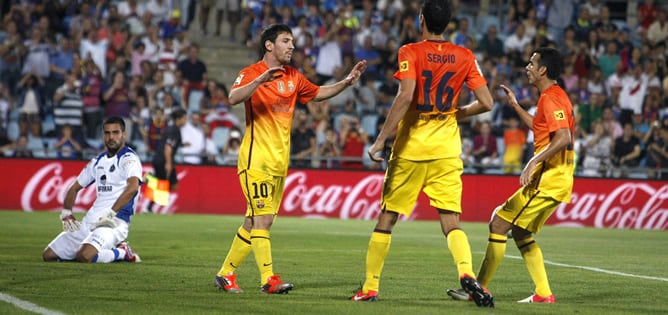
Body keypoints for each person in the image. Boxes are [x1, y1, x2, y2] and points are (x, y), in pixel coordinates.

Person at [354, 0, 494, 306]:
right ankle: (466, 273)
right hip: (447, 149)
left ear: (421, 20)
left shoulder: (410, 51)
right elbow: (486, 103)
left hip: (412, 148)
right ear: (448, 24)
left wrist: (380, 140)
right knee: (451, 222)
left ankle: (370, 287)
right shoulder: (465, 55)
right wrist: (456, 113)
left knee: (387, 218)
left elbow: (405, 96)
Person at [213, 23, 366, 294]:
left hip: (279, 162)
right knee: (261, 219)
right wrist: (259, 81)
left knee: (255, 221)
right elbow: (233, 97)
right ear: (269, 45)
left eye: (292, 41)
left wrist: (346, 82)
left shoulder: (294, 76)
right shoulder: (251, 73)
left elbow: (319, 93)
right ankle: (268, 279)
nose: (292, 46)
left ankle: (226, 273)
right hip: (256, 160)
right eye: (286, 40)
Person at [448, 47, 575, 304]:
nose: (527, 67)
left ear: (543, 70)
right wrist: (516, 106)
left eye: (532, 63)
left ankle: (478, 289)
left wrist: (533, 160)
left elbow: (564, 137)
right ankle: (543, 293)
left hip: (549, 177)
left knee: (499, 223)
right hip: (555, 177)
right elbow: (542, 128)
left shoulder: (551, 98)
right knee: (520, 232)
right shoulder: (554, 96)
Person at [42, 116, 142, 263]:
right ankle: (90, 249)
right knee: (49, 255)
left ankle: (122, 252)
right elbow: (74, 188)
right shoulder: (98, 161)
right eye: (107, 133)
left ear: (124, 134)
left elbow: (132, 187)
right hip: (90, 222)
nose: (111, 137)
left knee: (84, 256)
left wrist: (110, 214)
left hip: (114, 223)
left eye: (115, 132)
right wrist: (66, 213)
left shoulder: (129, 159)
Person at [146, 108, 188, 213]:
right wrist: (168, 163)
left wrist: (183, 144)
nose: (185, 120)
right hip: (163, 160)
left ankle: (151, 180)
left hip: (161, 159)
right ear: (179, 119)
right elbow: (168, 147)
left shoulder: (173, 129)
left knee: (170, 184)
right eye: (184, 118)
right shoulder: (173, 130)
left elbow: (171, 144)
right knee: (163, 184)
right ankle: (155, 208)